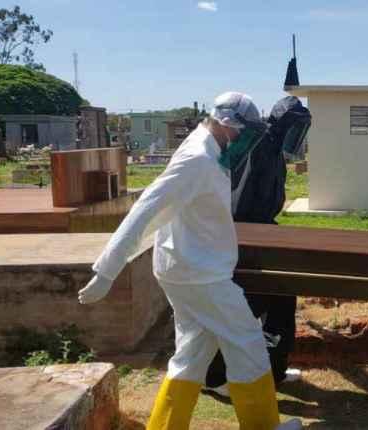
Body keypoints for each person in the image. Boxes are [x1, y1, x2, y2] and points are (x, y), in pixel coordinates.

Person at [78, 91, 301, 430]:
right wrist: (108, 269)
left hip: (189, 267)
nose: (247, 144)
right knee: (248, 344)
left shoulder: (210, 149)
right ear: (227, 125)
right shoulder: (197, 158)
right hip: (200, 274)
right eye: (247, 135)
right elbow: (146, 208)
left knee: (192, 355)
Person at [204, 96, 312, 399]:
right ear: (280, 124)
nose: (296, 136)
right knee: (246, 308)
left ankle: (274, 370)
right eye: (293, 128)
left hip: (263, 234)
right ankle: (214, 377)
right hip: (246, 238)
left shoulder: (272, 148)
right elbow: (242, 199)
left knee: (282, 299)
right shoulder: (260, 146)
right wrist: (251, 238)